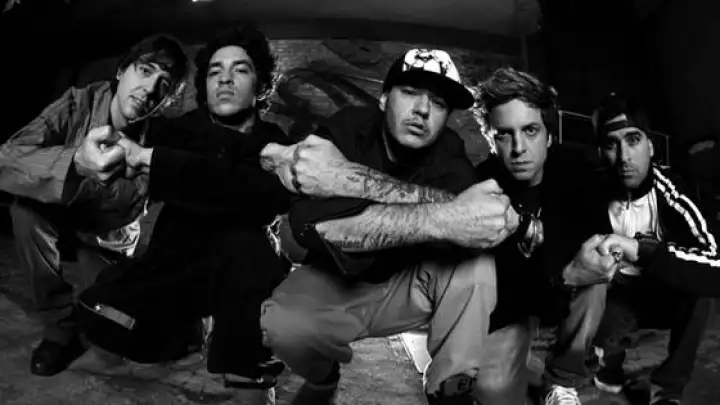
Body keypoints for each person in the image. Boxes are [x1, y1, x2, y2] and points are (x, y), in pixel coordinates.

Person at [259, 48, 534, 405]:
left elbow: (473, 222)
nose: (423, 110)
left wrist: (348, 179)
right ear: (384, 98)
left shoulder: (449, 150)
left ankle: (450, 391)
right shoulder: (348, 128)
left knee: (476, 260)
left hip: (412, 285)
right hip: (339, 282)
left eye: (438, 103)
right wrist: (443, 216)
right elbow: (317, 225)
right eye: (410, 92)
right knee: (281, 325)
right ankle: (324, 378)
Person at [76, 26, 293, 405]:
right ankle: (190, 331)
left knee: (246, 248)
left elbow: (265, 197)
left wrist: (164, 164)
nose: (224, 79)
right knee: (99, 313)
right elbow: (204, 181)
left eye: (240, 70)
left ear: (260, 86)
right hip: (176, 265)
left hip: (245, 272)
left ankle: (246, 372)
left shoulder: (277, 143)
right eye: (214, 71)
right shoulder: (176, 132)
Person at [0, 34, 190, 376]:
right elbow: (7, 157)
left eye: (164, 84)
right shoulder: (77, 104)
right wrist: (74, 162)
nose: (149, 89)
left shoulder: (162, 140)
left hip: (106, 241)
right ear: (121, 71)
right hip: (56, 219)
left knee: (120, 333)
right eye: (145, 71)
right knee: (24, 212)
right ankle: (59, 326)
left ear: (168, 99)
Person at [472, 67, 615, 405]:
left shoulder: (578, 173)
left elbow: (599, 243)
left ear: (549, 136)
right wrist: (562, 276)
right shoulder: (479, 186)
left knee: (597, 273)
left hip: (562, 293)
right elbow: (496, 289)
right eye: (504, 135)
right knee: (492, 391)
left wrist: (575, 272)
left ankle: (562, 379)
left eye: (531, 130)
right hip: (509, 307)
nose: (519, 148)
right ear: (490, 140)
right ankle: (517, 362)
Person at [578, 94, 715, 405]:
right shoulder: (591, 194)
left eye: (633, 140)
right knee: (589, 286)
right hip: (619, 296)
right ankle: (608, 362)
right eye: (612, 144)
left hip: (665, 292)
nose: (624, 156)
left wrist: (643, 250)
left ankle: (667, 389)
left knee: (702, 288)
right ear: (601, 152)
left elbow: (716, 260)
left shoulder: (672, 193)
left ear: (650, 147)